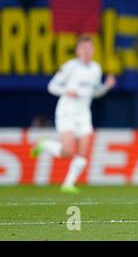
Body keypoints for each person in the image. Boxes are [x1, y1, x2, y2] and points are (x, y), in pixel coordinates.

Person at [31, 36, 116, 194]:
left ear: (93, 50)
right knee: (68, 151)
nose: (87, 51)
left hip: (83, 114)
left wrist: (106, 87)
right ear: (77, 51)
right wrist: (66, 91)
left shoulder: (96, 69)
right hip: (67, 112)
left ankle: (68, 184)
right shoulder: (70, 67)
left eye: (89, 48)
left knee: (84, 151)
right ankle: (45, 144)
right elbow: (52, 86)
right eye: (83, 48)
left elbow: (94, 93)